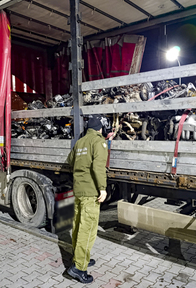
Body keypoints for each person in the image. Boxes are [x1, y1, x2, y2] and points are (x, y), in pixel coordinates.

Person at [66, 115, 108, 284]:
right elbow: (98, 167)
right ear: (100, 129)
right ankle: (79, 268)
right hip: (91, 192)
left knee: (77, 225)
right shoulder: (99, 142)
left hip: (78, 190)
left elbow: (70, 161)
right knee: (88, 229)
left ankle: (79, 257)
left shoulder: (80, 142)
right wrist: (102, 188)